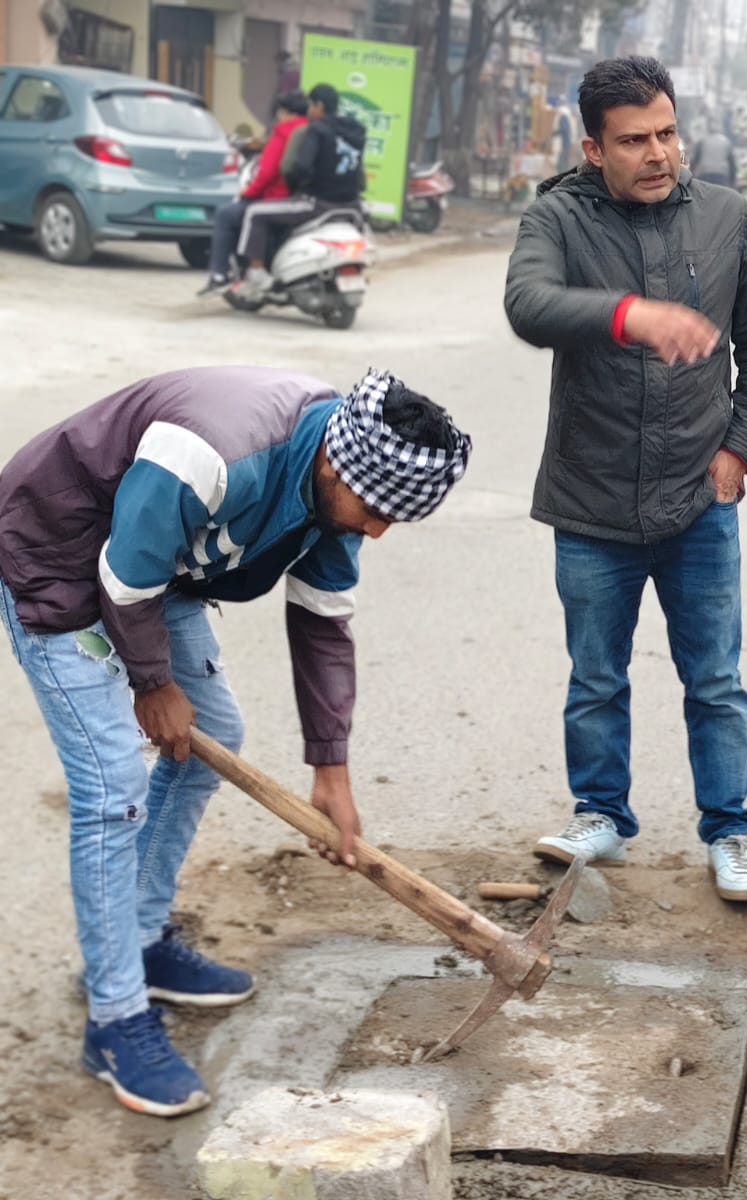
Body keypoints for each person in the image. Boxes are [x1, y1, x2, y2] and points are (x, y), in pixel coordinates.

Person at [0, 367, 470, 1116]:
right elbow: (123, 580)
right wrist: (152, 685)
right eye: (375, 509)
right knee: (112, 788)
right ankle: (116, 1020)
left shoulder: (334, 491)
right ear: (332, 463)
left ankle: (142, 937)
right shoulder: (217, 452)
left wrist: (332, 772)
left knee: (215, 729)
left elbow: (322, 625)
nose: (377, 529)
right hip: (62, 556)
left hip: (160, 570)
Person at [503, 56, 747, 903]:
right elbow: (528, 305)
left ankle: (731, 830)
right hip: (589, 501)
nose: (658, 153)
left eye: (667, 132)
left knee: (715, 678)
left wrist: (741, 448)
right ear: (594, 147)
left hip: (701, 498)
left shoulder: (730, 218)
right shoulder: (555, 217)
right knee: (596, 675)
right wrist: (631, 315)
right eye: (634, 140)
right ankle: (601, 816)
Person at [234, 83, 366, 299]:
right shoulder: (356, 131)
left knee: (255, 213)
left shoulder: (317, 130)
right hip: (351, 206)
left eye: (311, 106)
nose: (309, 112)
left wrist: (300, 187)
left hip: (318, 203)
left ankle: (256, 272)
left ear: (320, 106)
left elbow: (301, 166)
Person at [198, 91, 309, 296]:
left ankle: (219, 276)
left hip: (275, 199)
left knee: (225, 215)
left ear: (285, 113)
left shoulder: (283, 133)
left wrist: (248, 192)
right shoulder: (311, 132)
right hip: (302, 199)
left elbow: (267, 172)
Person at [691, 118, 739, 188]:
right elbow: (732, 163)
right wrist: (733, 180)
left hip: (705, 174)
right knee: (721, 196)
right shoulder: (726, 141)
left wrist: (691, 175)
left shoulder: (703, 141)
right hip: (721, 175)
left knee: (706, 196)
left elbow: (695, 160)